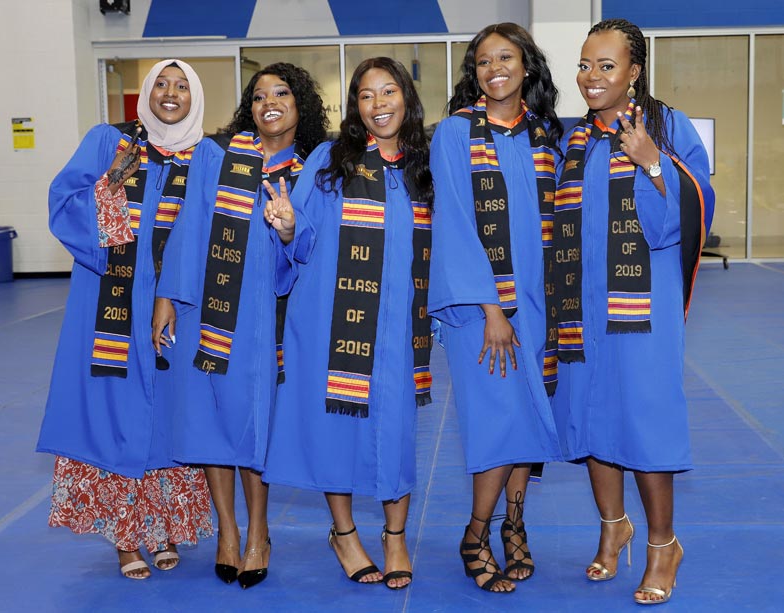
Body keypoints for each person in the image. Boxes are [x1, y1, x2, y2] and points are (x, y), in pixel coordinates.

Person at [552, 18, 715, 605]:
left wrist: (651, 162)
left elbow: (693, 212)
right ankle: (612, 527)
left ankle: (662, 544)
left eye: (607, 66)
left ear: (635, 71)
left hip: (643, 306)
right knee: (593, 415)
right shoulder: (575, 139)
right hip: (582, 306)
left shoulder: (667, 128)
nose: (591, 77)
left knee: (646, 420)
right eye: (585, 64)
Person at [151, 63, 328, 588]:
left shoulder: (312, 168)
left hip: (272, 319)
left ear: (301, 105)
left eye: (281, 93)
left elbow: (311, 245)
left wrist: (290, 228)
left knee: (258, 428)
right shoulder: (217, 157)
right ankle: (228, 532)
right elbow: (187, 228)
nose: (268, 102)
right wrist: (166, 296)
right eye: (258, 95)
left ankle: (259, 533)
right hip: (208, 313)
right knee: (210, 421)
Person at [261, 57, 434, 591]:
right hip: (333, 320)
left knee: (396, 431)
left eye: (388, 92)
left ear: (406, 97)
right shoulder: (329, 161)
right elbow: (303, 236)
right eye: (366, 95)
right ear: (355, 106)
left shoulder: (424, 168)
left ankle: (396, 536)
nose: (378, 104)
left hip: (398, 328)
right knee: (336, 427)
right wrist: (289, 228)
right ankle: (345, 534)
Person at [36, 59, 213, 580]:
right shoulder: (109, 141)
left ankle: (161, 526)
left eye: (182, 85)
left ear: (195, 97)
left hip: (176, 304)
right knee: (115, 410)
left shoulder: (206, 156)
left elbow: (218, 226)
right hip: (109, 304)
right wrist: (113, 181)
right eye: (161, 82)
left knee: (167, 411)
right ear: (146, 91)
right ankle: (125, 537)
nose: (171, 92)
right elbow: (62, 204)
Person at [428, 23, 564, 594]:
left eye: (504, 57)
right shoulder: (455, 133)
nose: (493, 69)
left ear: (526, 66)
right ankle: (475, 533)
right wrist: (492, 309)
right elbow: (455, 223)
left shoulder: (545, 137)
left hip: (536, 306)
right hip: (479, 309)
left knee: (526, 417)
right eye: (482, 61)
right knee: (495, 422)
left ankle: (515, 526)